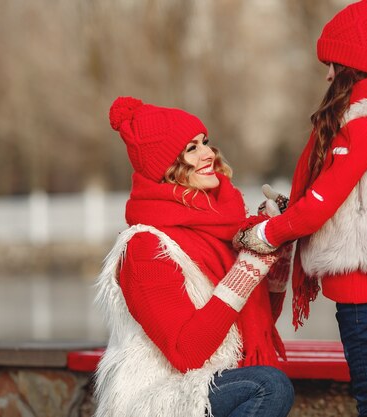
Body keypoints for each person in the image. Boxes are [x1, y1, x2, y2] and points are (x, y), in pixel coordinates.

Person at [234, 1, 367, 416]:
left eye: (333, 63)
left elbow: (318, 209)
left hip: (363, 292)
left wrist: (265, 234)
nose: (327, 74)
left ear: (353, 65)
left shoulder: (361, 126)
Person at [94, 96, 294, 417]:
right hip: (163, 396)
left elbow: (255, 321)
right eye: (191, 149)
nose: (208, 154)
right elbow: (187, 354)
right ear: (168, 168)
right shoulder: (147, 246)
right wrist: (246, 269)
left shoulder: (222, 228)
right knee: (270, 386)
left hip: (215, 381)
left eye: (205, 142)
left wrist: (276, 250)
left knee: (272, 383)